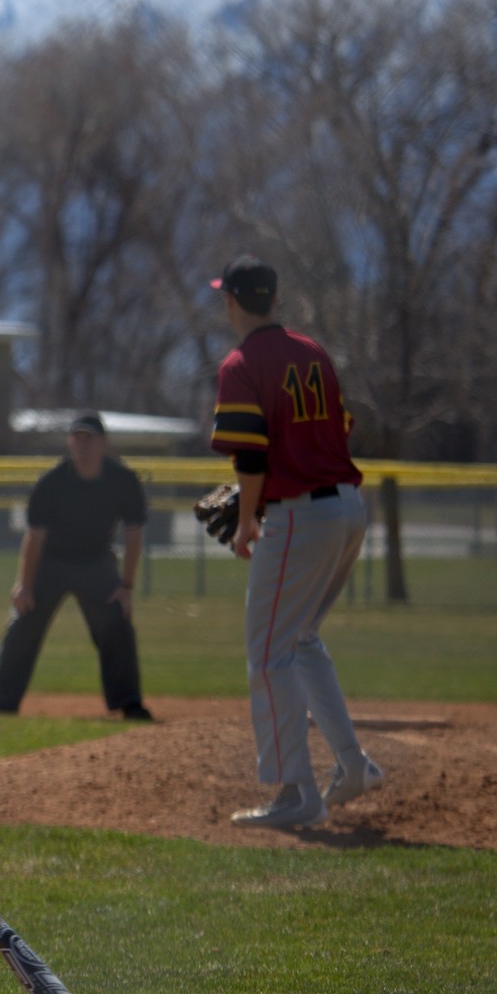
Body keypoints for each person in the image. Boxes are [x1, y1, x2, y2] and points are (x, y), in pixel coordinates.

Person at [209, 254, 384, 829]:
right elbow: (337, 429)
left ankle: (294, 793)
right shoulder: (312, 353)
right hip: (348, 508)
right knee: (300, 638)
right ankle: (353, 765)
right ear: (274, 300)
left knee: (268, 654)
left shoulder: (241, 363)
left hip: (299, 517)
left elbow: (253, 453)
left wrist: (247, 518)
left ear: (232, 301)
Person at [0, 412, 153, 721]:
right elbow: (34, 537)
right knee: (23, 621)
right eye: (77, 437)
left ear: (104, 443)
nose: (82, 444)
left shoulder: (123, 480)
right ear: (69, 442)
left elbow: (134, 534)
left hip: (97, 563)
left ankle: (129, 702)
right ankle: (0, 702)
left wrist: (126, 587)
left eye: (90, 438)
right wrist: (25, 585)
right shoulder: (53, 482)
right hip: (51, 563)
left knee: (118, 619)